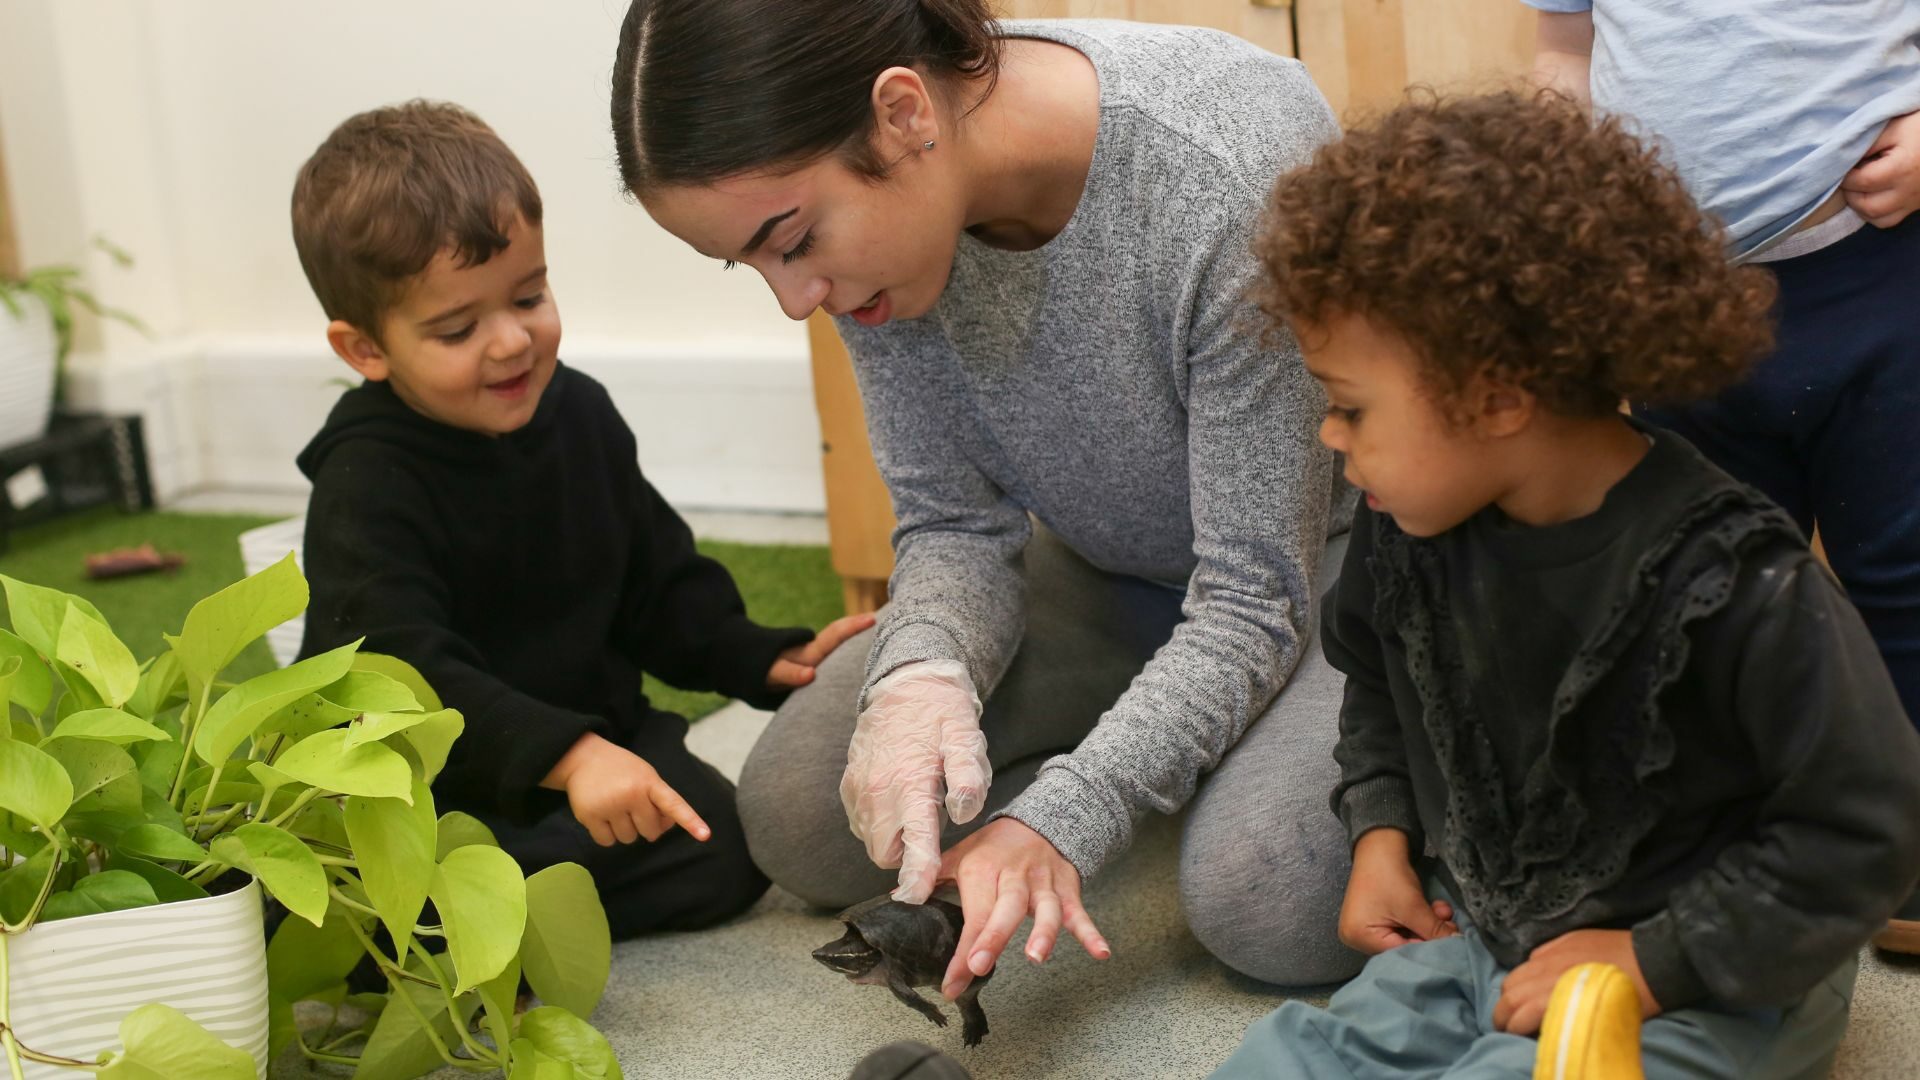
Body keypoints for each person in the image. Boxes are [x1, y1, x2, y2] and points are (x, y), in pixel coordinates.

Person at [614, 0, 1361, 989]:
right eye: (747, 262)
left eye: (790, 241)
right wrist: (921, 676)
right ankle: (1177, 743)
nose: (795, 299)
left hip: (1318, 576)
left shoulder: (1221, 165)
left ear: (903, 114)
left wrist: (1068, 812)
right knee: (799, 814)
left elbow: (1252, 601)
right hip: (1111, 569)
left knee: (1265, 900)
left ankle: (1202, 757)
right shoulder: (880, 242)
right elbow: (956, 521)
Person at [1205, 91, 1920, 1079]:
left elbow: (1869, 830)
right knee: (1282, 1061)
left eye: (1351, 409)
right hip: (1494, 940)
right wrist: (1382, 833)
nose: (1333, 438)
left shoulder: (1739, 583)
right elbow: (1376, 680)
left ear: (1495, 396)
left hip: (1717, 977)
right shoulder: (1409, 526)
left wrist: (1646, 961)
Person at [290, 100, 869, 939]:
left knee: (722, 844)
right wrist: (566, 758)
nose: (510, 343)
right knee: (375, 889)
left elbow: (655, 583)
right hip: (450, 786)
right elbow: (400, 676)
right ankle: (459, 921)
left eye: (529, 297)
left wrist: (763, 657)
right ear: (365, 350)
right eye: (458, 329)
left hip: (600, 746)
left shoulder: (580, 416)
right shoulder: (366, 479)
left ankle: (498, 926)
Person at [1529, 0, 1920, 950]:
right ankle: (1751, 842)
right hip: (1673, 290)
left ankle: (1905, 841)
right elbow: (1561, 53)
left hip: (1883, 274)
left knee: (1906, 583)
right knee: (1704, 591)